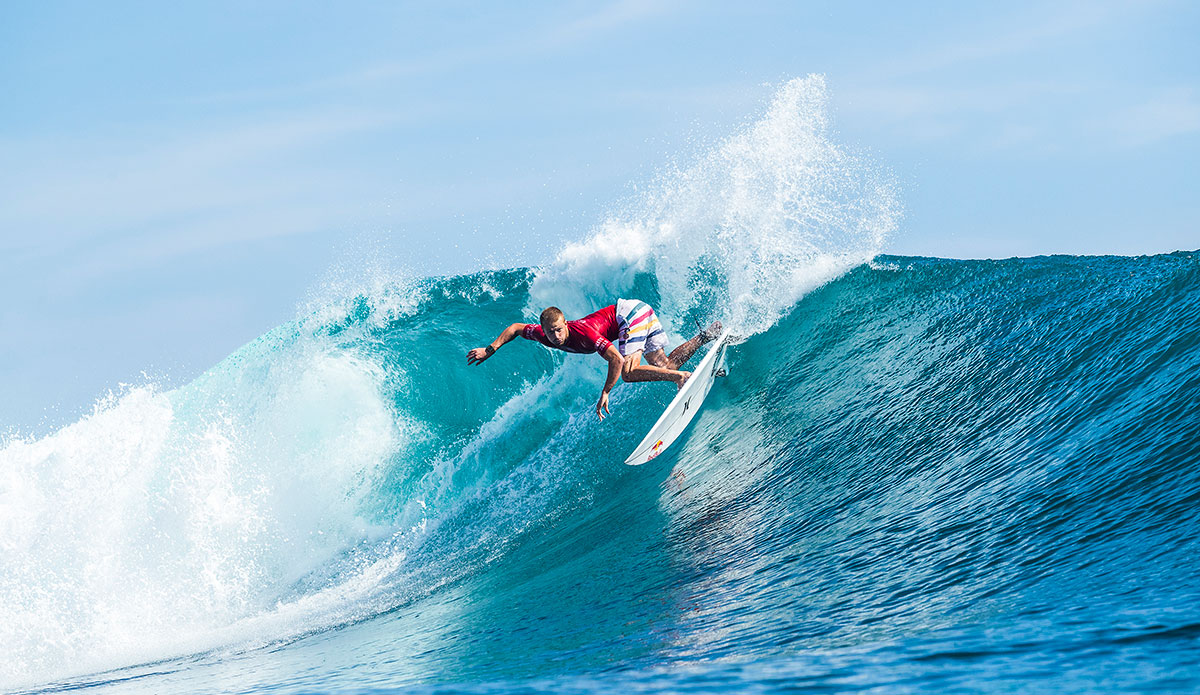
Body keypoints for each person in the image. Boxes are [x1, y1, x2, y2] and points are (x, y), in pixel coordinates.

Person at [467, 299, 720, 421]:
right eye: (550, 332)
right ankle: (707, 335)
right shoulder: (541, 334)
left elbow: (616, 359)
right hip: (638, 311)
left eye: (559, 329)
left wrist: (606, 391)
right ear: (543, 330)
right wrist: (491, 349)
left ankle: (682, 378)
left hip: (629, 315)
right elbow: (516, 328)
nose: (555, 336)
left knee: (628, 373)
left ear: (565, 323)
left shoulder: (584, 333)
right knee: (665, 366)